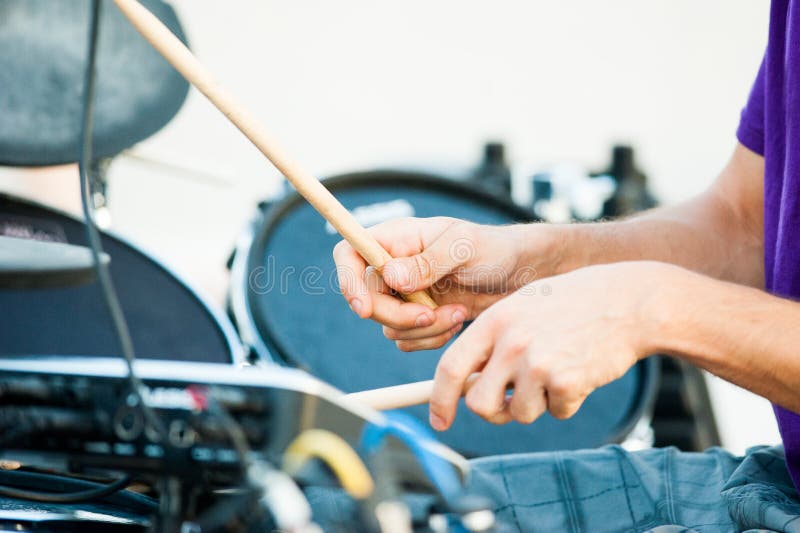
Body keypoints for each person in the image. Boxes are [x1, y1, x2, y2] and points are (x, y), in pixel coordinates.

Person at [327, 0, 800, 530]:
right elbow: (746, 224)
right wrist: (533, 261)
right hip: (782, 486)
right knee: (335, 509)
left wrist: (653, 306)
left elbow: (675, 287)